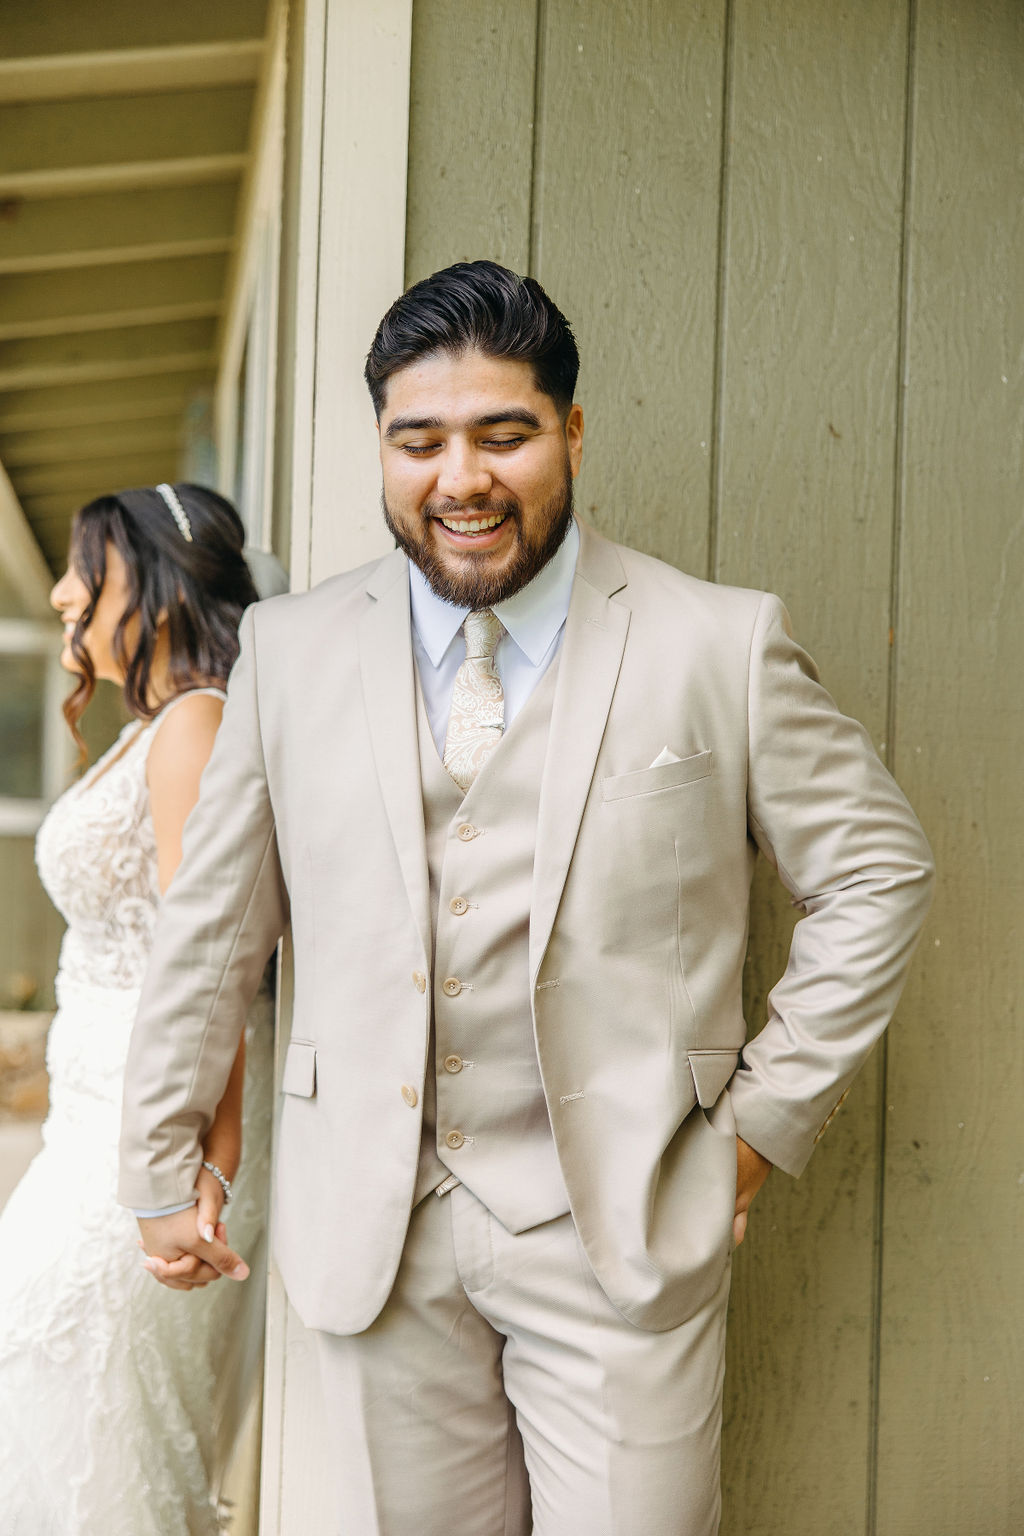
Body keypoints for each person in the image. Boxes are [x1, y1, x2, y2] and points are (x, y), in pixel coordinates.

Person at [123, 263, 934, 1535]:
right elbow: (211, 929)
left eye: (503, 433)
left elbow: (877, 868)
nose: (461, 480)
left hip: (621, 1218)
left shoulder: (715, 643)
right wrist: (163, 1158)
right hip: (373, 1228)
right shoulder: (292, 650)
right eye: (419, 441)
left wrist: (758, 1129)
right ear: (381, 449)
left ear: (569, 430)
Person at [0, 484, 273, 1536]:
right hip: (85, 1121)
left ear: (154, 589)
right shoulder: (154, 727)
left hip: (143, 1137)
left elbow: (214, 963)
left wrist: (203, 1164)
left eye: (90, 569)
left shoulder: (194, 728)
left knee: (86, 1408)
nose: (66, 589)